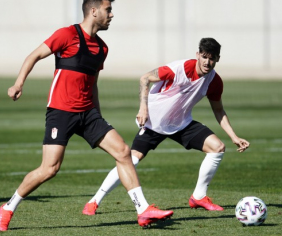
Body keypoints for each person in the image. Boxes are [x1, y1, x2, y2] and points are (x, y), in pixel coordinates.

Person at [0, 0, 173, 231]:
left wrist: (97, 115)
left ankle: (143, 210)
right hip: (61, 112)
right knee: (50, 169)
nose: (111, 15)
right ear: (94, 11)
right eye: (108, 10)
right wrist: (18, 83)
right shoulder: (66, 34)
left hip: (89, 114)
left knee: (123, 151)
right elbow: (34, 55)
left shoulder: (102, 49)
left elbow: (93, 83)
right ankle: (7, 207)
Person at [82, 38, 250, 215]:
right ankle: (94, 201)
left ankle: (199, 197)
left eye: (212, 58)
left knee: (217, 147)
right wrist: (143, 107)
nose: (207, 62)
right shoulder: (179, 68)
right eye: (204, 56)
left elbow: (219, 110)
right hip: (154, 122)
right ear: (198, 55)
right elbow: (145, 78)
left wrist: (234, 136)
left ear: (218, 59)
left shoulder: (214, 81)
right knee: (131, 160)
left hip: (181, 124)